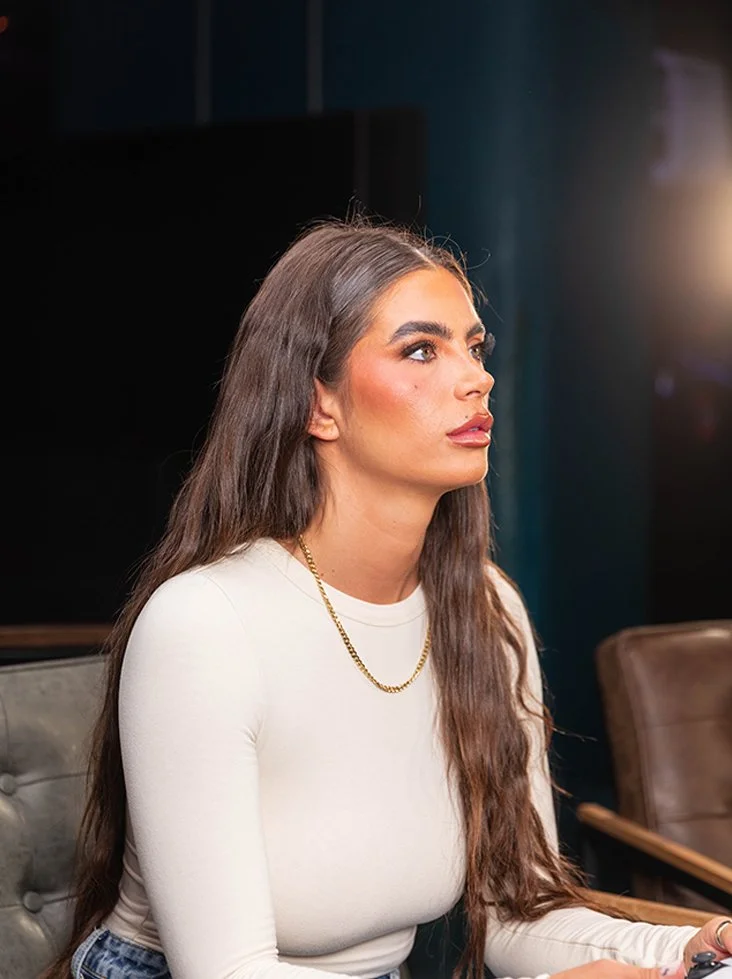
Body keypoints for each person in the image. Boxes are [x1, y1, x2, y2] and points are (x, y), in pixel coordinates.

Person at [45, 217, 732, 979]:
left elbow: (513, 916)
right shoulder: (204, 625)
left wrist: (681, 949)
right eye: (420, 349)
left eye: (474, 346)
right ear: (318, 404)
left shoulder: (485, 609)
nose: (477, 377)